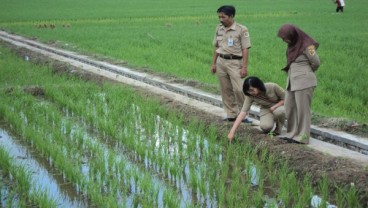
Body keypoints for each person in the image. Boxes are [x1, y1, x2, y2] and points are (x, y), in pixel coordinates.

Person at [277, 24, 320, 144]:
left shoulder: (308, 46)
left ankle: (303, 137)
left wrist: (305, 72)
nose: (284, 40)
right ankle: (291, 133)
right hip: (292, 81)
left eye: (285, 37)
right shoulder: (292, 45)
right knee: (290, 107)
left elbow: (316, 62)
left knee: (303, 110)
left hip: (304, 81)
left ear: (293, 35)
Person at [211, 5, 252, 123]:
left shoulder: (241, 29)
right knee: (225, 89)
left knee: (239, 89)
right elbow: (216, 47)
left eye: (223, 17)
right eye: (219, 17)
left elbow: (245, 49)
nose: (220, 19)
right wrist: (213, 63)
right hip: (221, 62)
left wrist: (244, 66)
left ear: (231, 16)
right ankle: (231, 114)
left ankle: (243, 115)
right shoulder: (219, 28)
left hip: (235, 62)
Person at [227, 76, 285, 142]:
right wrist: (232, 132)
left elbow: (286, 98)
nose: (250, 92)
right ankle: (273, 119)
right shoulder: (250, 96)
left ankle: (278, 128)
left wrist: (275, 106)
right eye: (248, 91)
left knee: (279, 112)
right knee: (265, 127)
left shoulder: (272, 87)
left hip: (281, 106)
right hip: (266, 109)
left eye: (252, 90)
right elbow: (243, 112)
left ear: (258, 86)